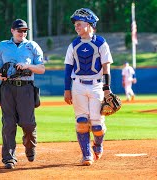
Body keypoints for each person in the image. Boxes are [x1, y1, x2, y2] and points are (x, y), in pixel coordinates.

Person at [0, 19, 45, 169]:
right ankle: (8, 158)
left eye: (24, 31)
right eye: (19, 30)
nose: (22, 33)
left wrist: (27, 65)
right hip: (7, 88)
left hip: (26, 88)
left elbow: (41, 69)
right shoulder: (3, 46)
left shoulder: (32, 46)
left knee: (28, 124)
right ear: (12, 31)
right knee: (8, 124)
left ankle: (30, 146)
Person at [64, 8, 114, 166]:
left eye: (79, 24)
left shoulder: (101, 43)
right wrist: (67, 89)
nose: (76, 27)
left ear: (90, 24)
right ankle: (86, 155)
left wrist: (107, 89)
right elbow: (68, 69)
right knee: (81, 121)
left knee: (97, 125)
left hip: (96, 87)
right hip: (78, 86)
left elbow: (106, 68)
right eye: (75, 25)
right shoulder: (74, 44)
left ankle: (98, 144)